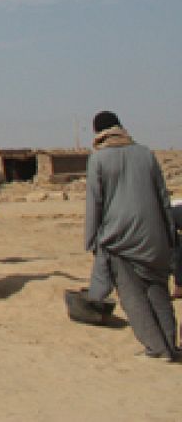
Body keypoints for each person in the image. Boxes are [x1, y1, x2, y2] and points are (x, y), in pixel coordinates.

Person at [84, 111, 178, 361]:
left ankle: (157, 348)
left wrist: (91, 240)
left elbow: (95, 203)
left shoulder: (98, 160)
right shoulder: (145, 154)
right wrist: (170, 235)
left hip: (119, 239)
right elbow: (163, 198)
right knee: (158, 292)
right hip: (155, 238)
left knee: (133, 297)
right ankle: (170, 343)